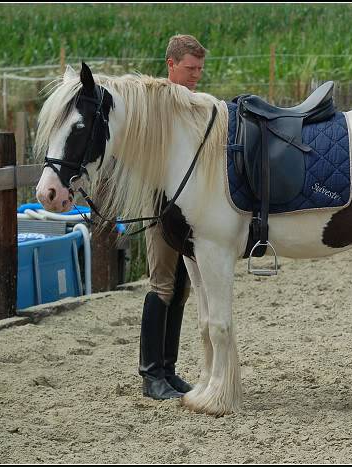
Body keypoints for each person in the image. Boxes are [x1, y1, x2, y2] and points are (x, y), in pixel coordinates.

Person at [139, 34, 206, 400]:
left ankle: (168, 370)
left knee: (180, 287)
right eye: (190, 68)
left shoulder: (191, 101)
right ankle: (151, 375)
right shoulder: (156, 103)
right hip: (160, 202)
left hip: (187, 207)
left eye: (199, 69)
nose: (196, 75)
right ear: (171, 64)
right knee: (163, 283)